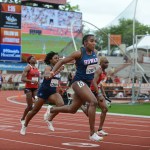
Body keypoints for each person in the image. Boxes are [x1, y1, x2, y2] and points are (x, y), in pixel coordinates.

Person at [48, 34, 103, 142]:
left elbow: (92, 67)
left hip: (86, 83)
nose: (94, 43)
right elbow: (62, 61)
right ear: (85, 43)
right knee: (93, 101)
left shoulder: (94, 53)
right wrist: (52, 71)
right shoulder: (79, 53)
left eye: (95, 41)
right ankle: (92, 133)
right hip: (78, 82)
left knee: (72, 109)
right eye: (92, 41)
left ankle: (52, 109)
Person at [20, 51, 64, 135]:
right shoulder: (48, 67)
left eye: (58, 58)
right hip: (44, 91)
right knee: (34, 110)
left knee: (61, 104)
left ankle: (49, 118)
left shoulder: (58, 67)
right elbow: (47, 77)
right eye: (55, 58)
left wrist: (60, 87)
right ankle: (25, 125)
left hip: (53, 91)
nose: (57, 59)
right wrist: (58, 71)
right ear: (50, 60)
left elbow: (55, 79)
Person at [81, 56, 110, 136]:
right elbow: (93, 82)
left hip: (97, 91)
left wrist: (103, 93)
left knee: (104, 109)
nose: (107, 64)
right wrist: (99, 93)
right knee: (88, 113)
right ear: (101, 63)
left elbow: (99, 83)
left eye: (107, 62)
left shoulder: (105, 73)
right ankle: (81, 106)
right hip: (90, 91)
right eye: (105, 62)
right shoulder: (98, 70)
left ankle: (100, 129)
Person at [20, 56, 40, 124]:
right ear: (29, 61)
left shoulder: (37, 68)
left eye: (35, 58)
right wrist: (31, 81)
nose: (35, 59)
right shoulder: (28, 67)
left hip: (35, 88)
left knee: (37, 101)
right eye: (33, 58)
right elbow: (22, 79)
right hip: (28, 88)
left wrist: (38, 84)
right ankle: (23, 118)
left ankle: (31, 112)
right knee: (29, 106)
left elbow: (37, 79)